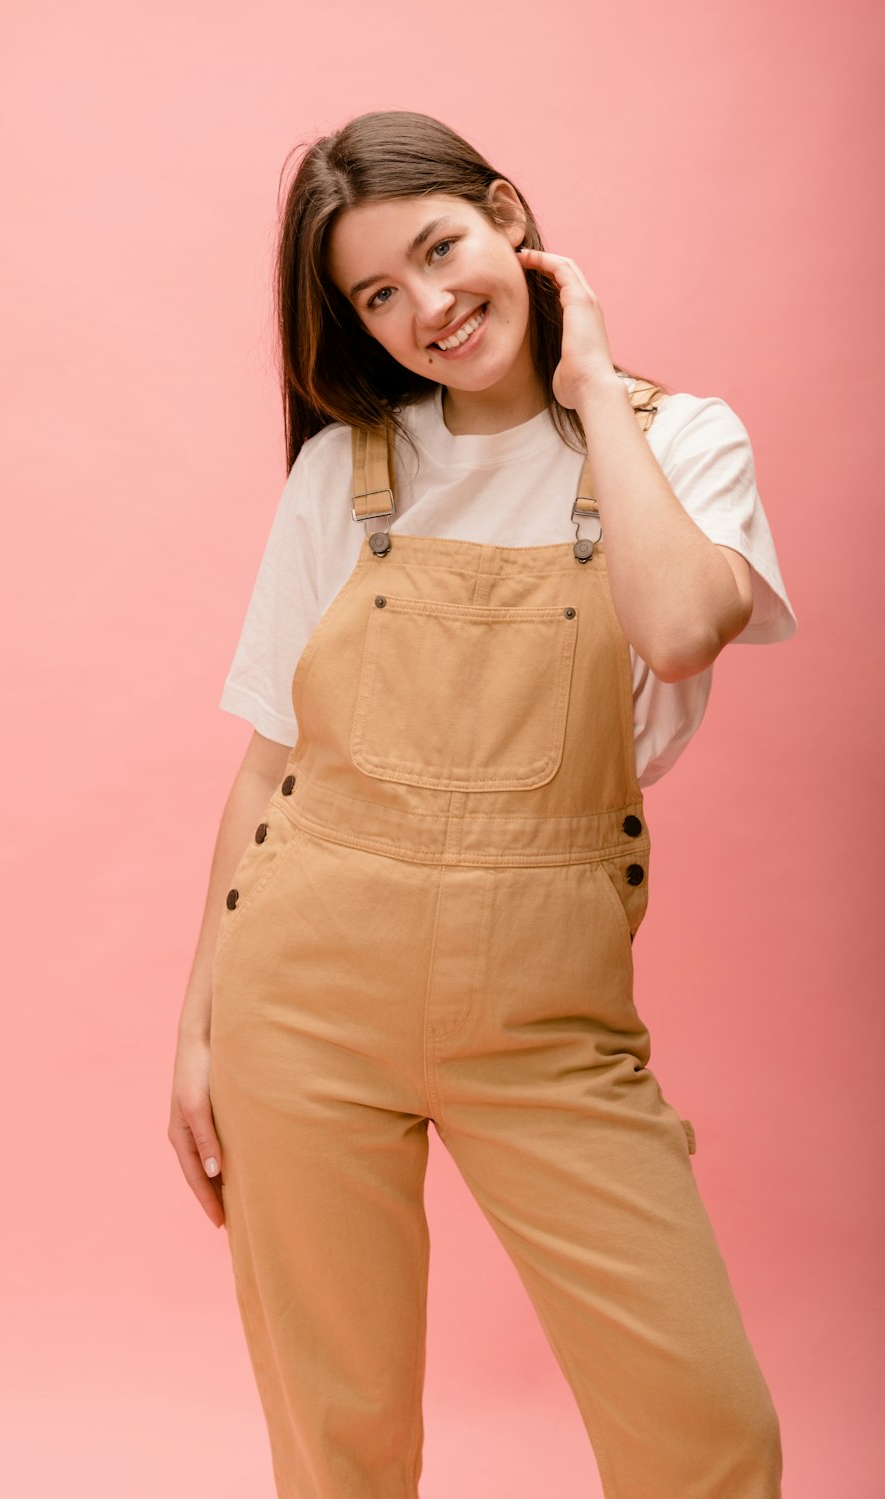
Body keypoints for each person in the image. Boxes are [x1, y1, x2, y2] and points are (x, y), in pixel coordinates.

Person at [168, 109, 797, 1499]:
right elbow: (273, 763)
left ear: (510, 214)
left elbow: (687, 623)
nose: (427, 309)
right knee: (341, 1451)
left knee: (709, 1436)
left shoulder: (679, 441)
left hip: (546, 1023)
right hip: (305, 1000)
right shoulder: (345, 470)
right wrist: (199, 1024)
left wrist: (586, 390)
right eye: (376, 295)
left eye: (441, 249)